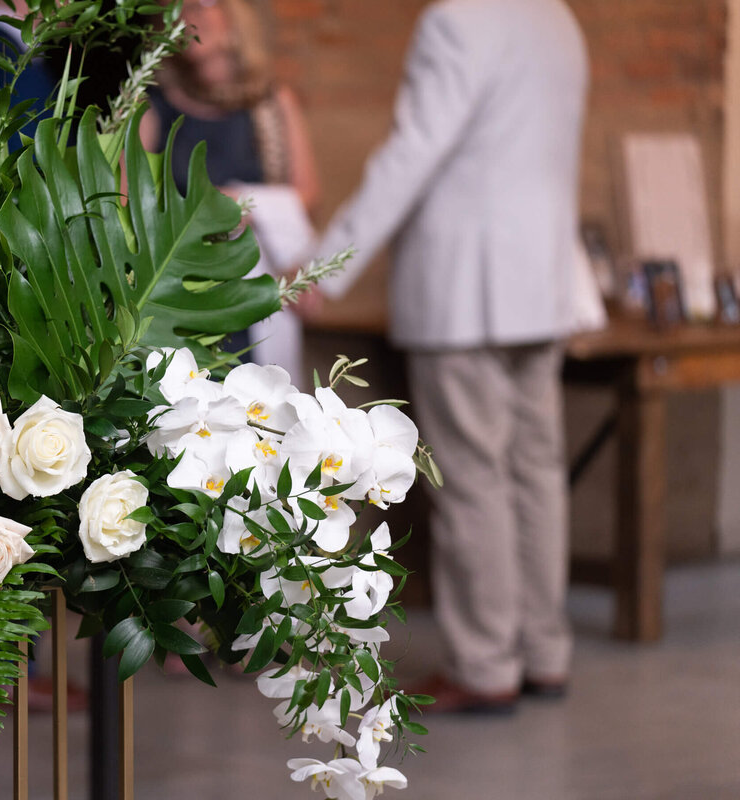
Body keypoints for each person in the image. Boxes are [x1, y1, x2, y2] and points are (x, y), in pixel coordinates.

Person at [311, 0, 589, 713]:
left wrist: (327, 265)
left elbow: (414, 152)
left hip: (469, 288)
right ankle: (543, 650)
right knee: (535, 469)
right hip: (544, 282)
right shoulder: (555, 18)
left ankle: (485, 664)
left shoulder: (457, 20)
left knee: (472, 478)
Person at [140, 0, 319, 384]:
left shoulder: (271, 104)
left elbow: (306, 193)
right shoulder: (152, 109)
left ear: (235, 16)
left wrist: (237, 202)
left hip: (257, 288)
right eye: (178, 8)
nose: (189, 17)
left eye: (202, 5)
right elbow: (128, 202)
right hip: (184, 295)